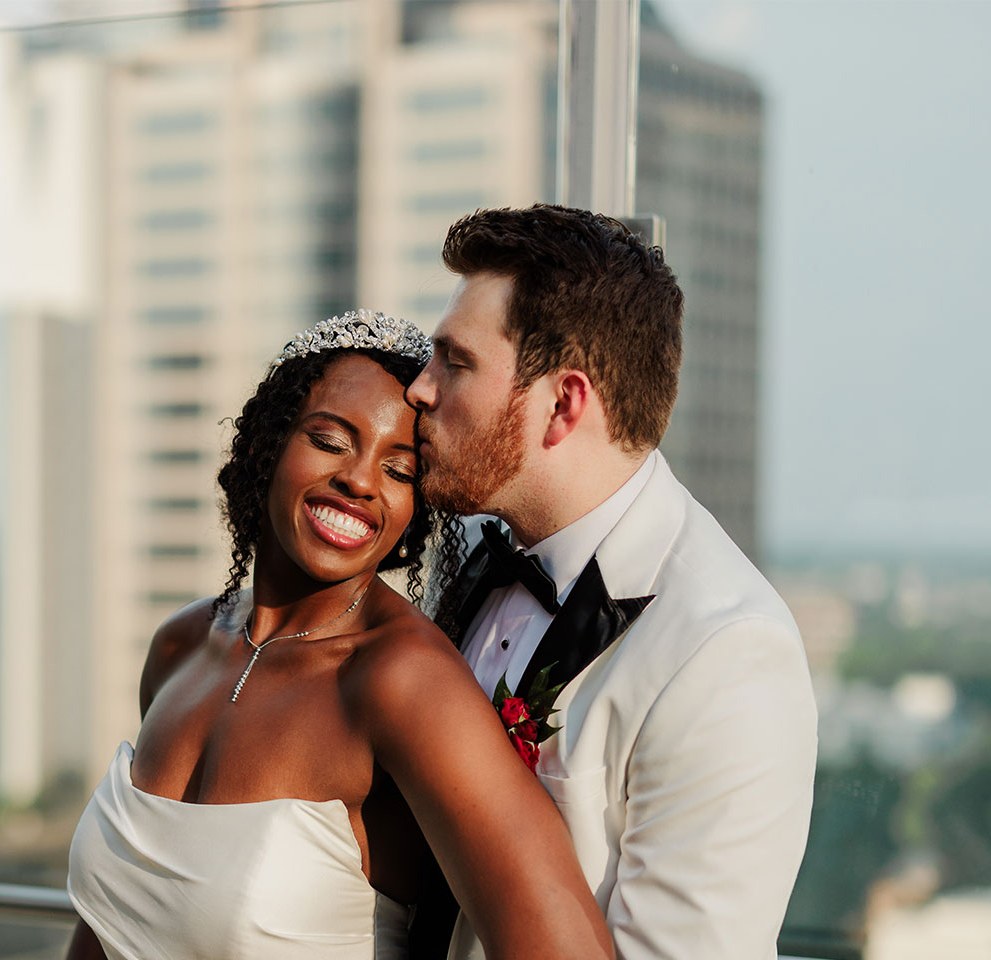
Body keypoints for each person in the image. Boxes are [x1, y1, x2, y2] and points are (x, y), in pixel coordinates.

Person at [64, 309, 613, 960]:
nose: (359, 480)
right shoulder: (180, 646)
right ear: (268, 443)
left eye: (401, 471)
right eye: (330, 440)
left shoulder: (402, 679)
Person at [404, 205, 817, 960]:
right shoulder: (468, 553)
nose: (419, 391)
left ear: (563, 404)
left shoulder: (725, 651)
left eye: (453, 361)